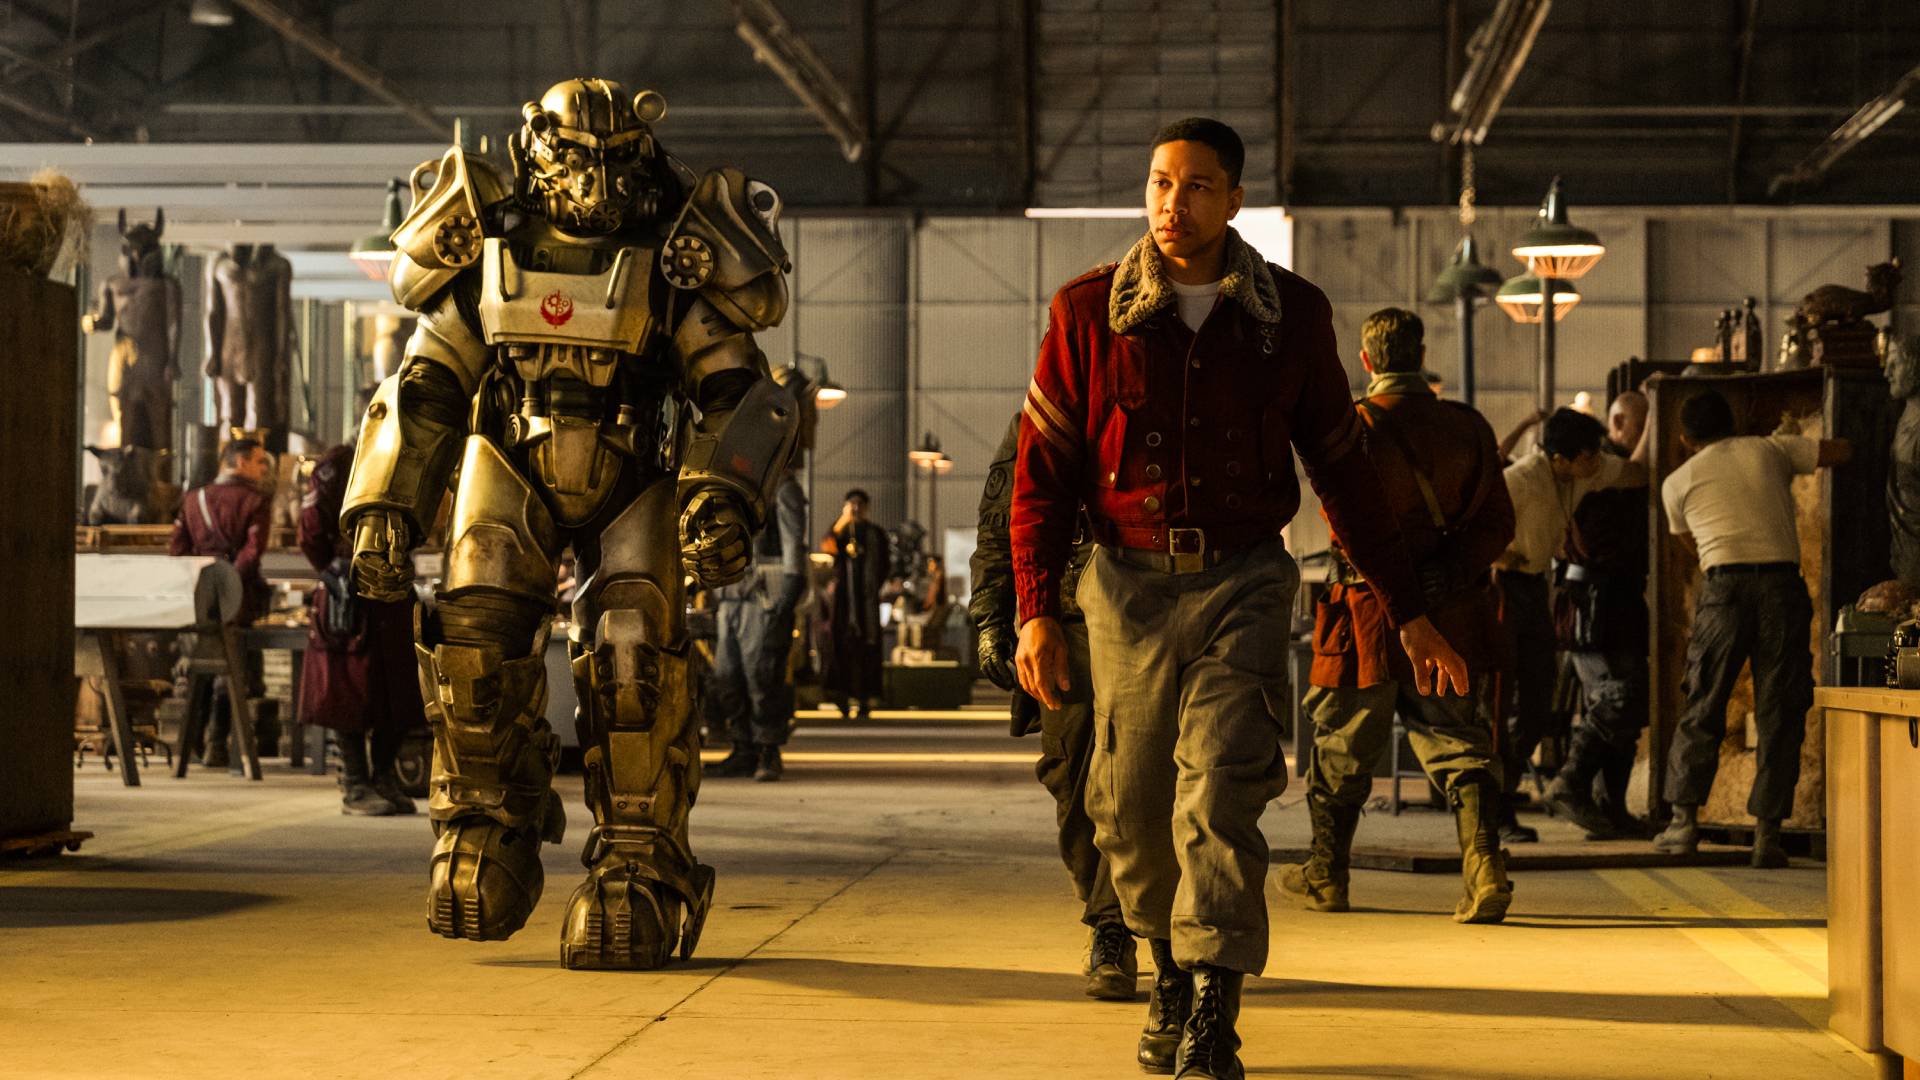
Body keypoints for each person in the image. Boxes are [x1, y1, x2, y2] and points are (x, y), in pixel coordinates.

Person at [1012, 117, 1467, 1080]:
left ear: (1234, 200)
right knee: (1132, 807)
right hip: (1123, 589)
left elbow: (1344, 473)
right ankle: (1169, 972)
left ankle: (1215, 1005)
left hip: (1242, 581)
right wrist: (1034, 610)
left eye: (1197, 186)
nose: (1173, 203)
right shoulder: (1087, 312)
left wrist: (1409, 610)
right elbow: (1041, 475)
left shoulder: (1288, 316)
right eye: (1160, 183)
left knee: (1221, 789)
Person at [340, 78, 800, 969]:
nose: (594, 183)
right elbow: (428, 381)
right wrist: (385, 503)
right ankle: (485, 824)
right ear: (536, 152)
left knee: (633, 658)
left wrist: (721, 493)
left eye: (614, 162)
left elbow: (735, 389)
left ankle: (641, 857)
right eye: (575, 160)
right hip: (509, 461)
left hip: (635, 470)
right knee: (472, 648)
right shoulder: (487, 239)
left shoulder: (676, 253)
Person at [1278, 307, 1516, 923]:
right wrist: (1452, 572)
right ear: (1421, 355)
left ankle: (1327, 875)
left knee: (1340, 747)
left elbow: (1345, 522)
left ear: (1366, 361)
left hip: (1365, 615)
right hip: (1450, 613)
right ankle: (1485, 869)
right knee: (1460, 744)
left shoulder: (1354, 425)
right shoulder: (1468, 426)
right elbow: (1498, 522)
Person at [973, 412, 1134, 1003]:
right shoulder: (1038, 419)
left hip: (1144, 614)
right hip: (1065, 623)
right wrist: (991, 617)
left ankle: (1115, 926)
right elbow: (1001, 521)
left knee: (1133, 779)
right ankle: (1108, 911)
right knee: (1071, 775)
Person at [1653, 389, 1850, 867]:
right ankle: (1768, 835)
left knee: (1703, 700)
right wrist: (1788, 441)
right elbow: (1840, 451)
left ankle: (1683, 823)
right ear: (1734, 422)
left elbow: (1690, 544)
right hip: (1781, 587)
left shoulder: (1676, 483)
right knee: (1780, 708)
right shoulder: (1770, 450)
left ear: (1684, 438)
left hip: (1723, 588)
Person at [1494, 408, 1647, 841]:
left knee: (1539, 704)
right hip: (1504, 587)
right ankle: (1495, 812)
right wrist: (1499, 554)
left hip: (1536, 588)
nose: (1596, 462)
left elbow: (1633, 472)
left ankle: (1584, 799)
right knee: (1503, 704)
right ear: (1560, 457)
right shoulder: (1521, 479)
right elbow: (1472, 523)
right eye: (1588, 456)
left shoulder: (1579, 475)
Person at [1542, 390, 1652, 839]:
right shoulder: (1596, 469)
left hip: (1614, 600)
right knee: (1617, 697)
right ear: (1621, 422)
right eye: (1643, 425)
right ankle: (1570, 782)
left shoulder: (1601, 468)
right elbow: (1634, 472)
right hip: (1595, 602)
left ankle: (1611, 808)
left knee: (1623, 709)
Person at [298, 439, 427, 816]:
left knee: (398, 688)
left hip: (393, 586)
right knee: (348, 690)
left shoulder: (410, 458)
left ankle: (384, 778)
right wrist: (338, 570)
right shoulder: (339, 463)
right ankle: (355, 784)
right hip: (349, 592)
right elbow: (311, 529)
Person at [707, 366, 814, 783]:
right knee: (727, 676)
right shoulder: (736, 486)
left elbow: (793, 547)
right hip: (732, 596)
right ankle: (743, 747)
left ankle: (768, 749)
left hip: (764, 599)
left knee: (762, 675)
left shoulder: (782, 489)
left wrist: (787, 594)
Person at [169, 437, 274, 768]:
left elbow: (177, 550)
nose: (263, 469)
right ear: (240, 462)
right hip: (238, 599)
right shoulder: (256, 501)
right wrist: (229, 584)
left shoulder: (193, 499)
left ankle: (192, 741)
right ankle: (217, 743)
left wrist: (202, 582)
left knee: (199, 665)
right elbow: (252, 552)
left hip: (198, 599)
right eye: (259, 461)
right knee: (232, 669)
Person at [822, 489, 889, 719]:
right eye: (852, 504)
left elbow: (885, 565)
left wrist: (874, 586)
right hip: (844, 600)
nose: (856, 508)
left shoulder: (875, 534)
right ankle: (841, 696)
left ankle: (865, 698)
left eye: (860, 504)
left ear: (867, 507)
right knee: (841, 646)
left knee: (867, 649)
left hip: (867, 601)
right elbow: (827, 547)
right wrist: (843, 520)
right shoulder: (840, 531)